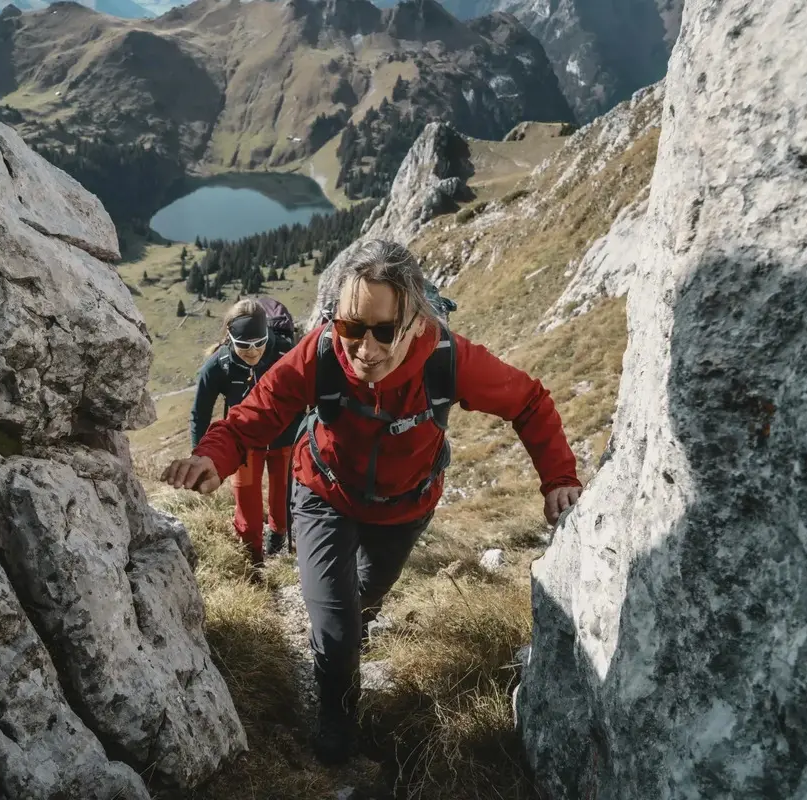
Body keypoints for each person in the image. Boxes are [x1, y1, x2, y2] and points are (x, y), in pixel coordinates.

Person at [162, 240, 582, 765]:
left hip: (404, 510)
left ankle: (349, 643)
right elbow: (259, 411)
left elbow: (528, 401)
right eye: (351, 327)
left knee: (364, 602)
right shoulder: (318, 352)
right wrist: (213, 457)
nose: (364, 348)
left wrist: (559, 478)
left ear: (413, 322)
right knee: (336, 629)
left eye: (383, 331)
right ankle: (337, 719)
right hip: (322, 496)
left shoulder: (447, 359)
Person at [190, 298, 302, 569]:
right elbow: (201, 412)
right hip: (244, 442)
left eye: (260, 342)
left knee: (282, 492)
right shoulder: (219, 364)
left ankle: (278, 535)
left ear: (268, 334)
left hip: (285, 436)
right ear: (230, 338)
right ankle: (252, 554)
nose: (253, 351)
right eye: (244, 345)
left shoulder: (286, 353)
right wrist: (200, 457)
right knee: (246, 496)